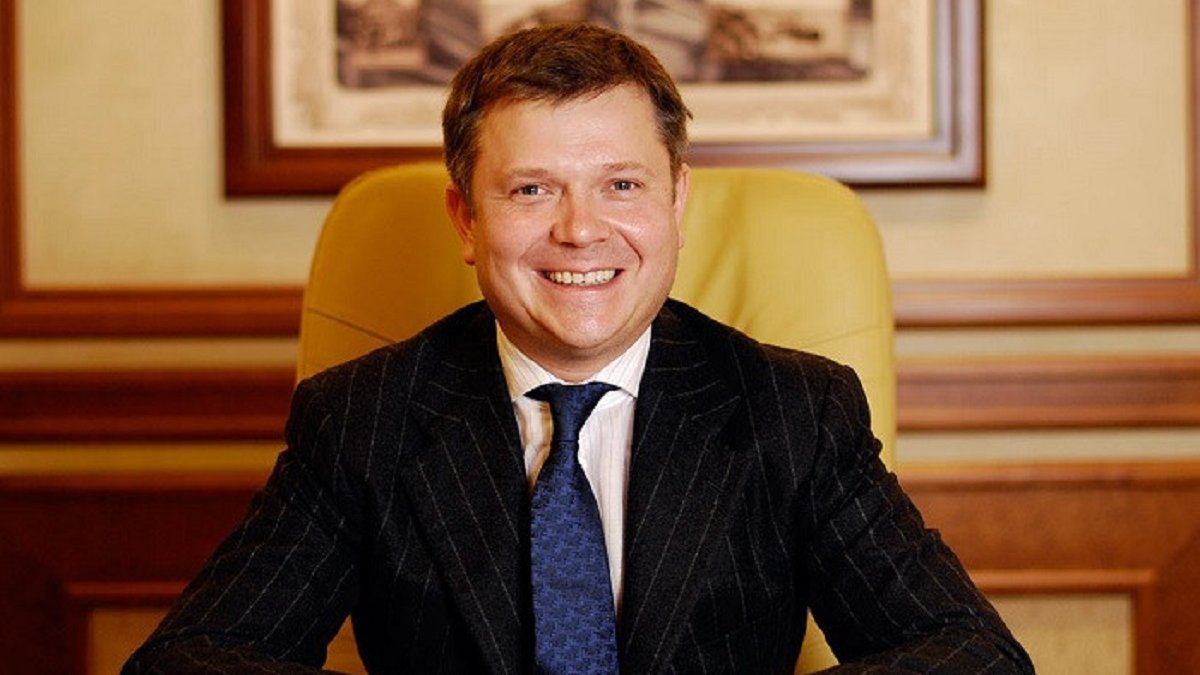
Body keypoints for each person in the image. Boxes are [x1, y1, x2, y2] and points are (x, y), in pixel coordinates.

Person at [125, 22, 1032, 674]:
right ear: (465, 220)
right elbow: (192, 658)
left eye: (621, 185)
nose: (580, 230)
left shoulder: (796, 411)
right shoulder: (362, 418)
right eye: (531, 189)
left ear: (676, 202)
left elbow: (971, 652)